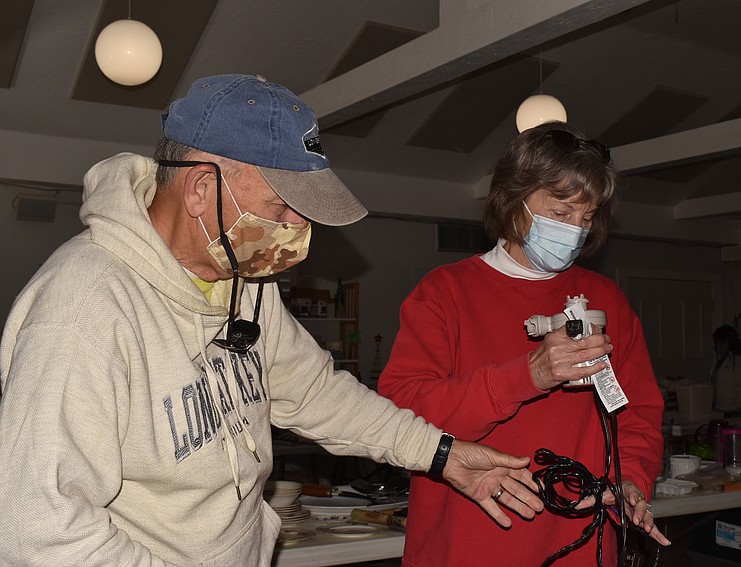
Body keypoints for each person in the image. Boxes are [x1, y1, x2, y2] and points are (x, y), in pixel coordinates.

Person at [0, 74, 544, 566]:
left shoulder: (243, 279)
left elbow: (316, 396)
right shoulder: (83, 308)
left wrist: (441, 454)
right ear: (199, 190)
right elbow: (40, 528)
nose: (298, 228)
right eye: (281, 206)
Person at [378, 122, 669, 566]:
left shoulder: (608, 301)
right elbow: (402, 418)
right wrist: (530, 375)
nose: (575, 230)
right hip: (467, 545)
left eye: (586, 217)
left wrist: (631, 480)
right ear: (514, 201)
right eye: (560, 212)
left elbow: (636, 414)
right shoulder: (444, 293)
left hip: (583, 546)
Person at [710, 325, 741, 412]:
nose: (718, 346)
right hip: (721, 409)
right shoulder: (721, 360)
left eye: (720, 342)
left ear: (728, 341)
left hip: (735, 412)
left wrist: (739, 412)